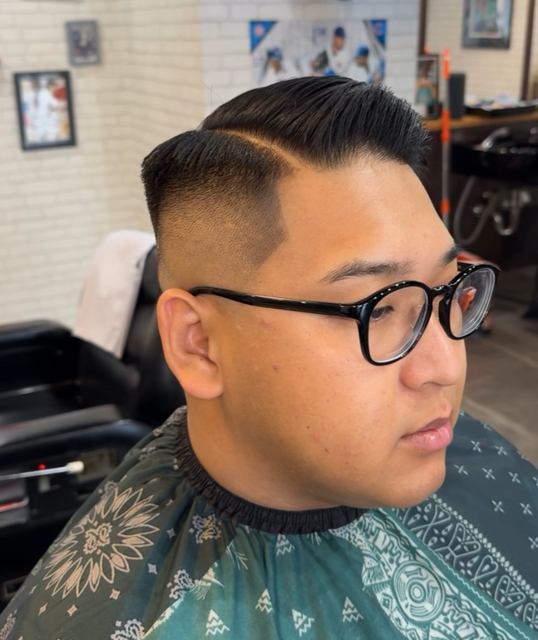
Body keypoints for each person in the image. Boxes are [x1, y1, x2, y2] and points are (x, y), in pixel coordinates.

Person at [1, 77, 537, 639]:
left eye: (449, 290)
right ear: (198, 344)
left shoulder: (460, 451)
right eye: (376, 308)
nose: (446, 368)